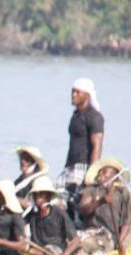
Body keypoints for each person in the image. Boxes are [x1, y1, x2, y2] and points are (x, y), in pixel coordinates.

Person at [56, 79, 104, 207]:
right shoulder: (76, 115)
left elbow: (97, 146)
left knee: (75, 201)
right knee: (57, 198)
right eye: (72, 91)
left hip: (83, 167)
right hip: (69, 166)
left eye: (78, 92)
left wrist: (91, 173)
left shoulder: (94, 116)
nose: (73, 95)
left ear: (87, 95)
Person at [77, 158, 131, 254]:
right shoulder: (91, 190)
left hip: (108, 236)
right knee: (82, 244)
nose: (100, 174)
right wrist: (101, 201)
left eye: (104, 172)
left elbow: (126, 222)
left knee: (90, 245)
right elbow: (83, 210)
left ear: (114, 175)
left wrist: (120, 241)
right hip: (91, 231)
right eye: (99, 172)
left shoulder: (122, 193)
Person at [23, 175, 80, 255]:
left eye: (41, 195)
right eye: (35, 195)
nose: (38, 198)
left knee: (38, 251)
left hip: (56, 253)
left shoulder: (59, 213)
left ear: (48, 196)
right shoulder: (32, 216)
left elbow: (75, 240)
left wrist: (65, 254)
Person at [13, 146, 50, 210]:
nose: (22, 161)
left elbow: (34, 205)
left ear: (34, 162)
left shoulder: (39, 181)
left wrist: (15, 199)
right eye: (21, 159)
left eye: (27, 159)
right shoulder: (18, 181)